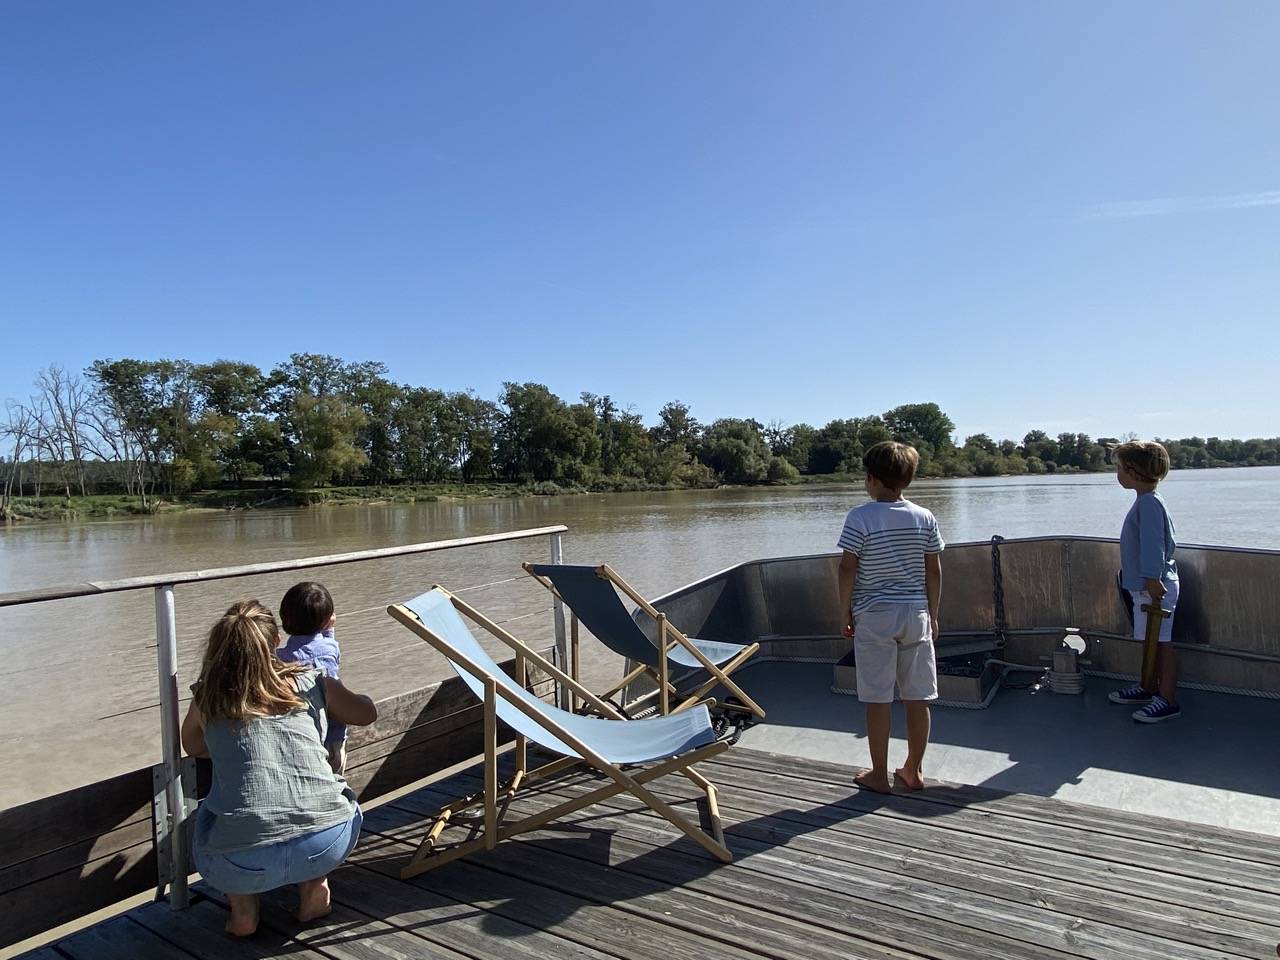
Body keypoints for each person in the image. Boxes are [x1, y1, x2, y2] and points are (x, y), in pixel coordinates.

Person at [181, 599, 377, 937]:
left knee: (208, 823)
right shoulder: (313, 682)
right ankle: (315, 886)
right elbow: (366, 715)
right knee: (323, 801)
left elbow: (193, 746)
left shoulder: (208, 698)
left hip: (238, 861)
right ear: (276, 643)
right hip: (328, 842)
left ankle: (243, 907)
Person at [836, 440, 944, 794]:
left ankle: (879, 774)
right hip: (916, 615)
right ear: (907, 479)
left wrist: (844, 611)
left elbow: (847, 568)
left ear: (871, 479)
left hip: (875, 616)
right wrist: (934, 613)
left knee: (878, 697)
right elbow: (934, 570)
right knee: (917, 697)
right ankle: (913, 770)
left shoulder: (860, 517)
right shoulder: (924, 517)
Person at [1107, 440, 1181, 722]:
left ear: (1133, 471)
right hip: (1147, 588)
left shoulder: (1149, 504)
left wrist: (1152, 578)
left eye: (1119, 468)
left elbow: (1154, 545)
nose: (1117, 474)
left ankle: (1168, 699)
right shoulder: (1145, 501)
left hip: (1155, 588)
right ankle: (1148, 687)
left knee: (1162, 644)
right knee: (1150, 642)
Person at [278, 581, 347, 773]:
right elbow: (329, 648)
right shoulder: (329, 648)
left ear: (284, 620)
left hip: (300, 741)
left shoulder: (281, 658)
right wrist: (329, 629)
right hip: (333, 736)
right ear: (327, 621)